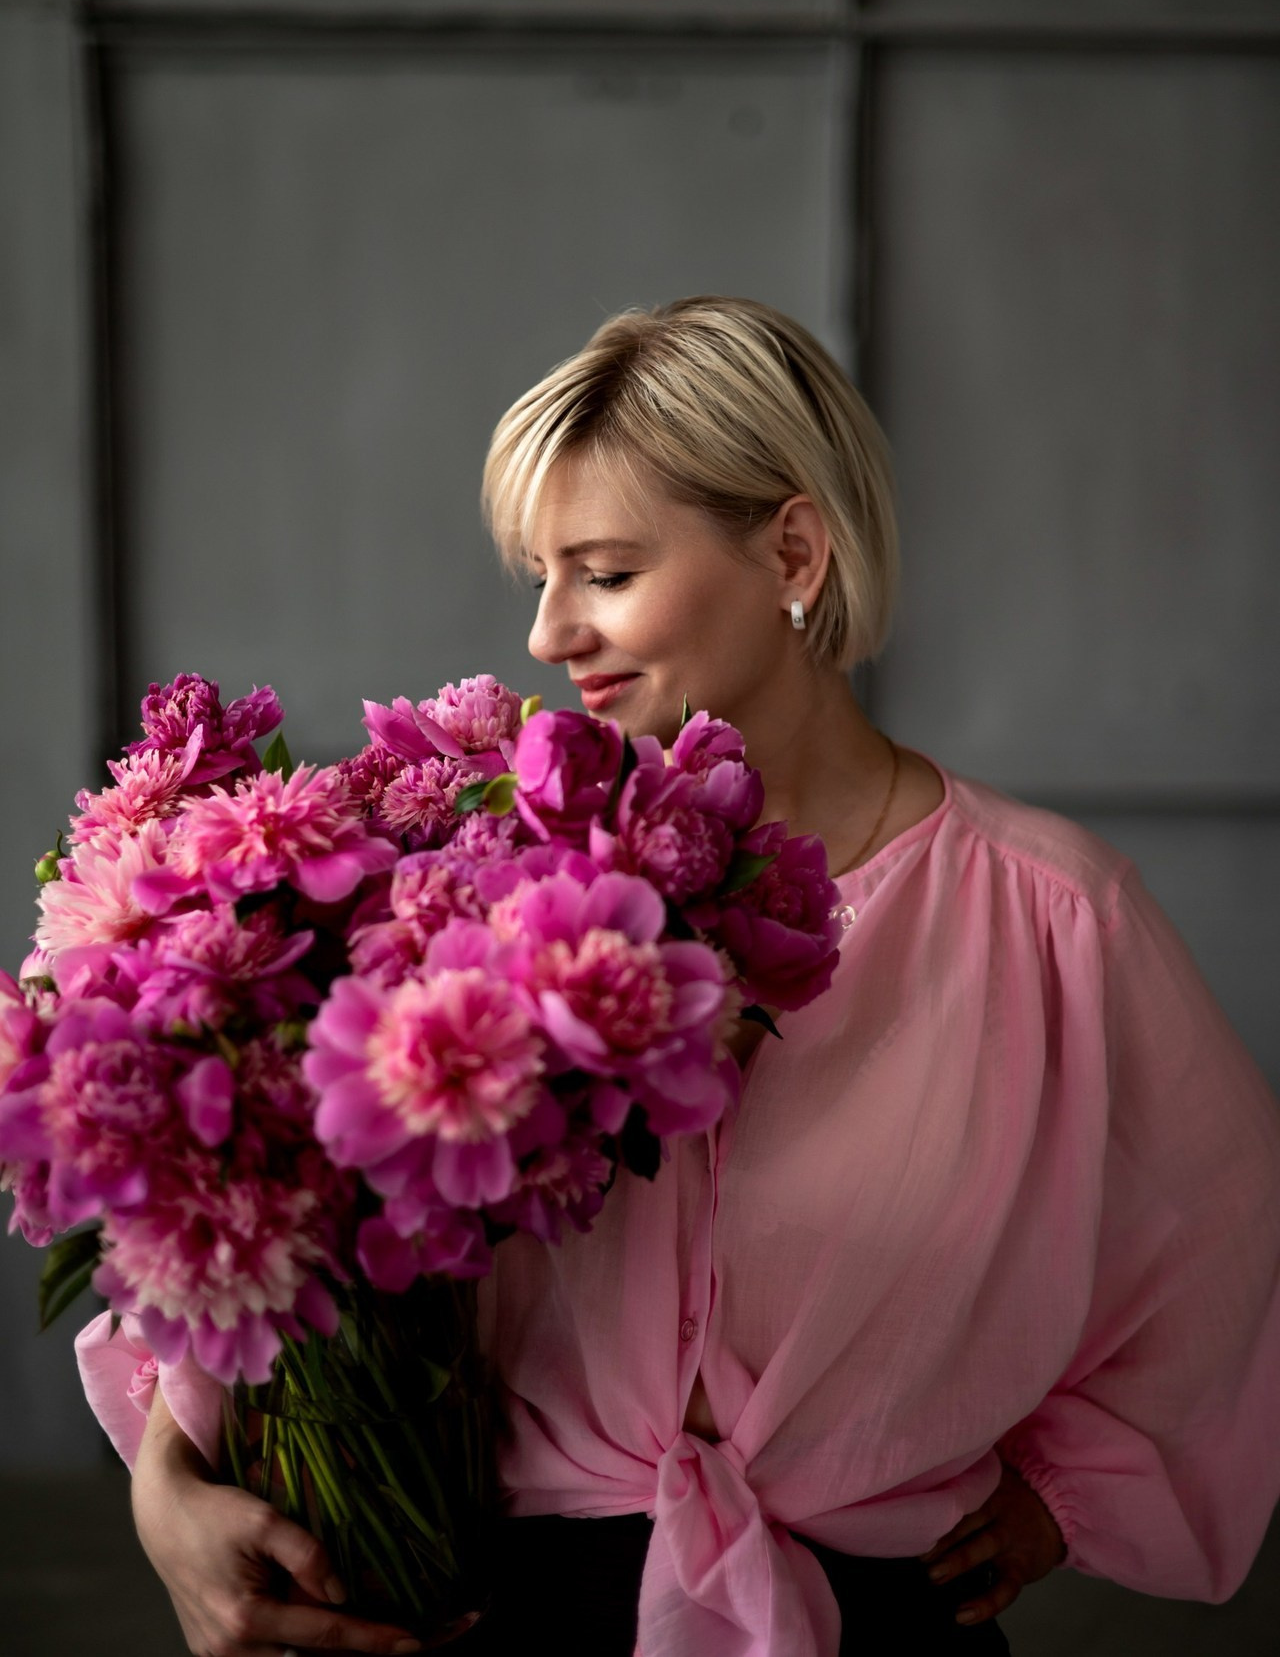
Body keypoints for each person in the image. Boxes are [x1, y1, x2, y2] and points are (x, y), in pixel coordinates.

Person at [78, 296, 1280, 1657]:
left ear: (793, 549)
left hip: (876, 1623)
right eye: (536, 576)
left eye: (600, 572)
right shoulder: (471, 887)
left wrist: (1065, 1493)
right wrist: (165, 1484)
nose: (544, 635)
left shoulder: (1053, 916)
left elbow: (1235, 1234)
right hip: (493, 1612)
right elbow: (275, 1214)